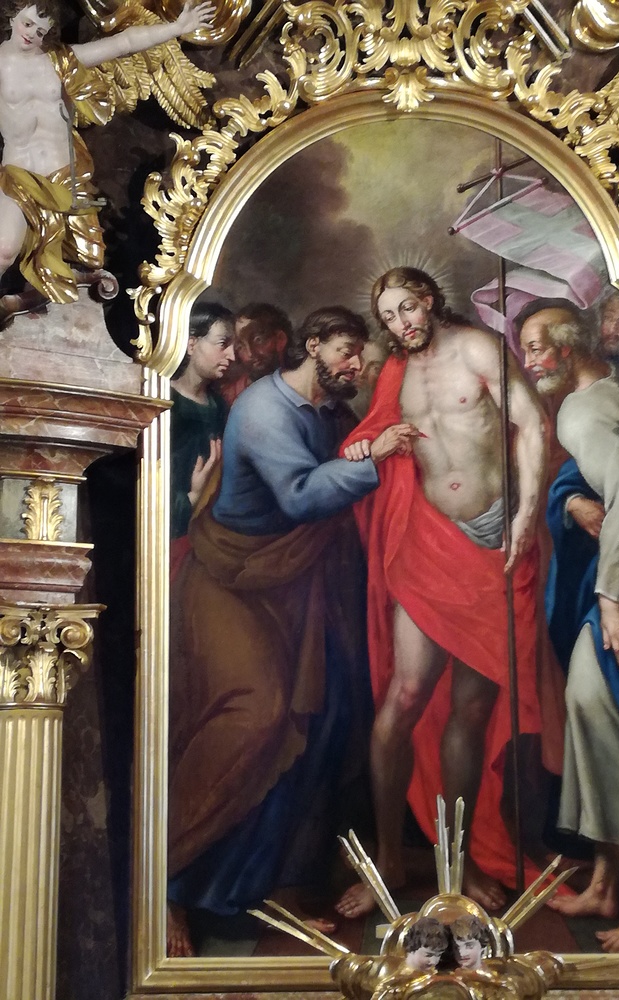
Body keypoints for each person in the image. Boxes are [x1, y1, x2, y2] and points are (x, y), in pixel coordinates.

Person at [166, 305, 418, 956]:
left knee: (324, 719)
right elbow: (302, 497)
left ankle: (274, 884)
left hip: (295, 584)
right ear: (311, 346)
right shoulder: (265, 411)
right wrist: (374, 458)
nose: (354, 365)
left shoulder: (328, 413)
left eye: (359, 355)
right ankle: (169, 881)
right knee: (255, 715)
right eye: (344, 351)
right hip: (232, 581)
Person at [337, 267, 548, 918]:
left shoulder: (477, 348)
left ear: (428, 300)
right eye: (389, 316)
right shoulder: (394, 374)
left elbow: (532, 425)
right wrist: (372, 446)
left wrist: (525, 516)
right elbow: (370, 442)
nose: (400, 323)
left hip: (492, 543)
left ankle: (459, 863)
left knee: (471, 710)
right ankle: (390, 858)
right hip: (428, 544)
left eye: (407, 308)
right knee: (404, 697)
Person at [519, 301, 619, 953]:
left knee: (601, 714)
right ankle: (605, 882)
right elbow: (591, 478)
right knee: (587, 716)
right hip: (609, 588)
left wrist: (612, 600)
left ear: (569, 346)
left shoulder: (582, 409)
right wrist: (572, 497)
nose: (528, 362)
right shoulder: (607, 391)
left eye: (535, 347)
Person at [0, 0, 213, 306]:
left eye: (41, 31)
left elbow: (123, 43)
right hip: (19, 173)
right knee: (4, 250)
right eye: (28, 23)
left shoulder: (61, 60)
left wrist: (177, 27)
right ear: (13, 16)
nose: (32, 34)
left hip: (64, 175)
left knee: (87, 259)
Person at [170, 302, 234, 542]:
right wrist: (192, 497)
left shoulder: (219, 407)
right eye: (223, 344)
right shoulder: (164, 402)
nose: (232, 356)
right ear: (192, 344)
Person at [220, 302, 291, 405]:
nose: (250, 353)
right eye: (240, 346)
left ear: (280, 339)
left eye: (258, 340)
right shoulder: (230, 396)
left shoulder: (300, 386)